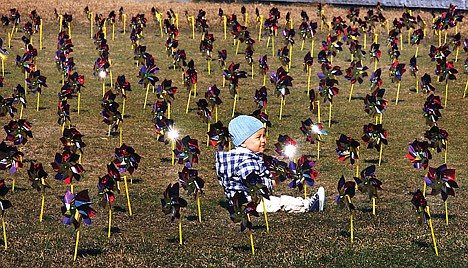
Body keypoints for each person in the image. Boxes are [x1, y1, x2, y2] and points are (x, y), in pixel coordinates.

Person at [215, 115, 325, 213]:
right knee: (282, 201)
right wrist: (276, 179)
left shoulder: (239, 156)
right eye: (258, 137)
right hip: (252, 203)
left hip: (240, 201)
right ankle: (308, 205)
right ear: (242, 142)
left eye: (264, 136)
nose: (263, 140)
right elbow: (258, 186)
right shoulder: (246, 162)